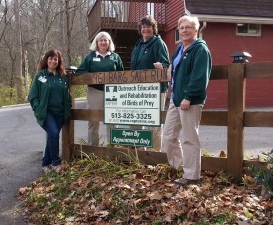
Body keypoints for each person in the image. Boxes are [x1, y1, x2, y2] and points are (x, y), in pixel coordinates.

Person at [162, 15, 212, 185]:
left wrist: (188, 97)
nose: (184, 30)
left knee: (189, 138)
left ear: (195, 30)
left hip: (189, 101)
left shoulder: (200, 49)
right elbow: (174, 67)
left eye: (188, 27)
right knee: (168, 136)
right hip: (175, 99)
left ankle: (192, 176)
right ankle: (180, 167)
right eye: (181, 28)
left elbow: (199, 77)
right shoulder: (179, 49)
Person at [130, 15, 170, 151]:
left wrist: (161, 66)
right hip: (139, 89)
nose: (145, 29)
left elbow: (166, 64)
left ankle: (154, 155)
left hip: (156, 89)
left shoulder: (158, 43)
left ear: (153, 28)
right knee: (139, 119)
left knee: (154, 123)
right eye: (143, 27)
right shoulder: (138, 45)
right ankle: (140, 154)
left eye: (148, 26)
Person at [76, 31, 124, 146]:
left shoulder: (115, 57)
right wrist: (91, 76)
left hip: (113, 92)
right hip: (94, 92)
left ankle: (112, 148)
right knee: (93, 120)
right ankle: (93, 148)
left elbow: (121, 74)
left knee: (112, 120)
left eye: (105, 40)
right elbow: (80, 72)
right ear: (97, 42)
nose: (103, 42)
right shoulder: (90, 57)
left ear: (109, 42)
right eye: (101, 40)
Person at [28, 49, 72, 173]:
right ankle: (56, 162)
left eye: (56, 59)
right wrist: (37, 108)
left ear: (59, 61)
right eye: (51, 58)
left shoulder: (62, 76)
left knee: (53, 137)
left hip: (60, 113)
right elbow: (32, 95)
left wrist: (68, 106)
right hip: (46, 113)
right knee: (53, 134)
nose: (53, 61)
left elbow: (67, 95)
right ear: (46, 60)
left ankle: (45, 164)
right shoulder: (40, 75)